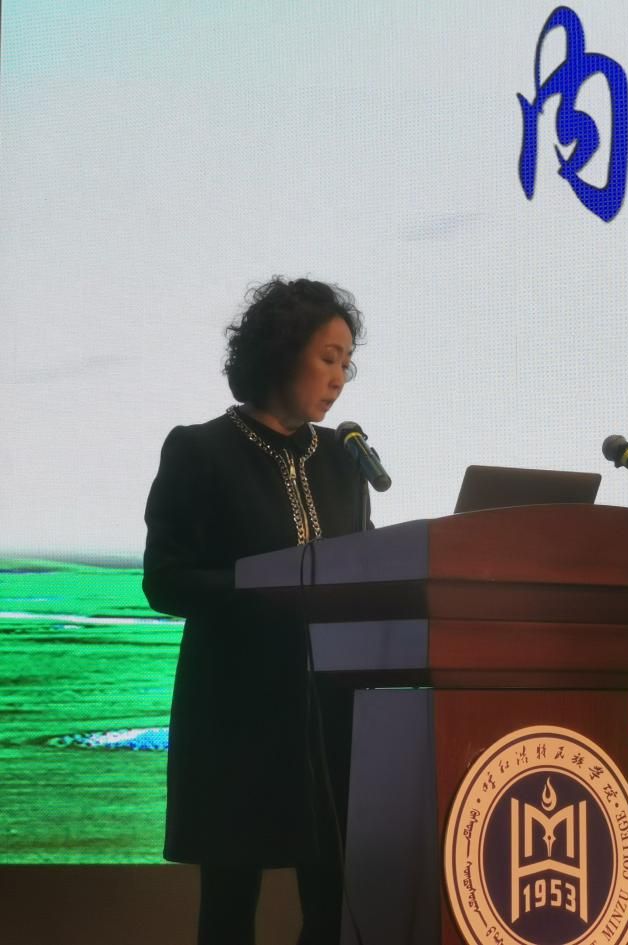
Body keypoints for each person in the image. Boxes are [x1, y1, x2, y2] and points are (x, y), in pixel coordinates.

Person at [142, 277, 368, 945]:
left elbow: (364, 572)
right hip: (236, 711)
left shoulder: (343, 462)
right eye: (327, 357)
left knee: (333, 906)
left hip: (332, 710)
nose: (339, 377)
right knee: (229, 909)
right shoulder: (200, 450)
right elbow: (166, 582)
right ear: (281, 351)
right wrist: (262, 585)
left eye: (347, 361)